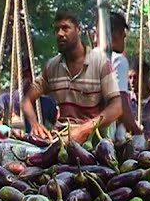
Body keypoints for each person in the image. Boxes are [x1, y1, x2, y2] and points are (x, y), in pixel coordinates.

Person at [22, 10, 123, 143]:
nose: (60, 34)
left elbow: (117, 107)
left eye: (65, 28)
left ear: (78, 30)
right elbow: (27, 100)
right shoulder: (52, 66)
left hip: (94, 143)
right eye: (57, 29)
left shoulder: (100, 63)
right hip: (61, 141)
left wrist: (85, 129)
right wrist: (35, 124)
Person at [109, 11, 143, 139]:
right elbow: (120, 106)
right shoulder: (118, 60)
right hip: (107, 140)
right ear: (117, 35)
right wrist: (138, 133)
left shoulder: (88, 58)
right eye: (124, 36)